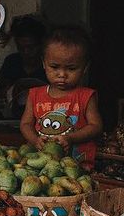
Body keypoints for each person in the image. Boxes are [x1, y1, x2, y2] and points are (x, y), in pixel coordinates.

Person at [19, 25, 103, 165]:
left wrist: (71, 138)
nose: (62, 75)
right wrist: (35, 140)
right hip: (42, 164)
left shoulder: (86, 96)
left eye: (71, 68)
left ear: (85, 68)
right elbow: (26, 124)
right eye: (54, 67)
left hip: (77, 164)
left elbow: (96, 126)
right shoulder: (35, 94)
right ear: (44, 64)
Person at [0, 15, 47, 99]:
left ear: (41, 44)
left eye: (31, 47)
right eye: (21, 47)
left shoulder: (50, 65)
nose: (26, 52)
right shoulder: (12, 62)